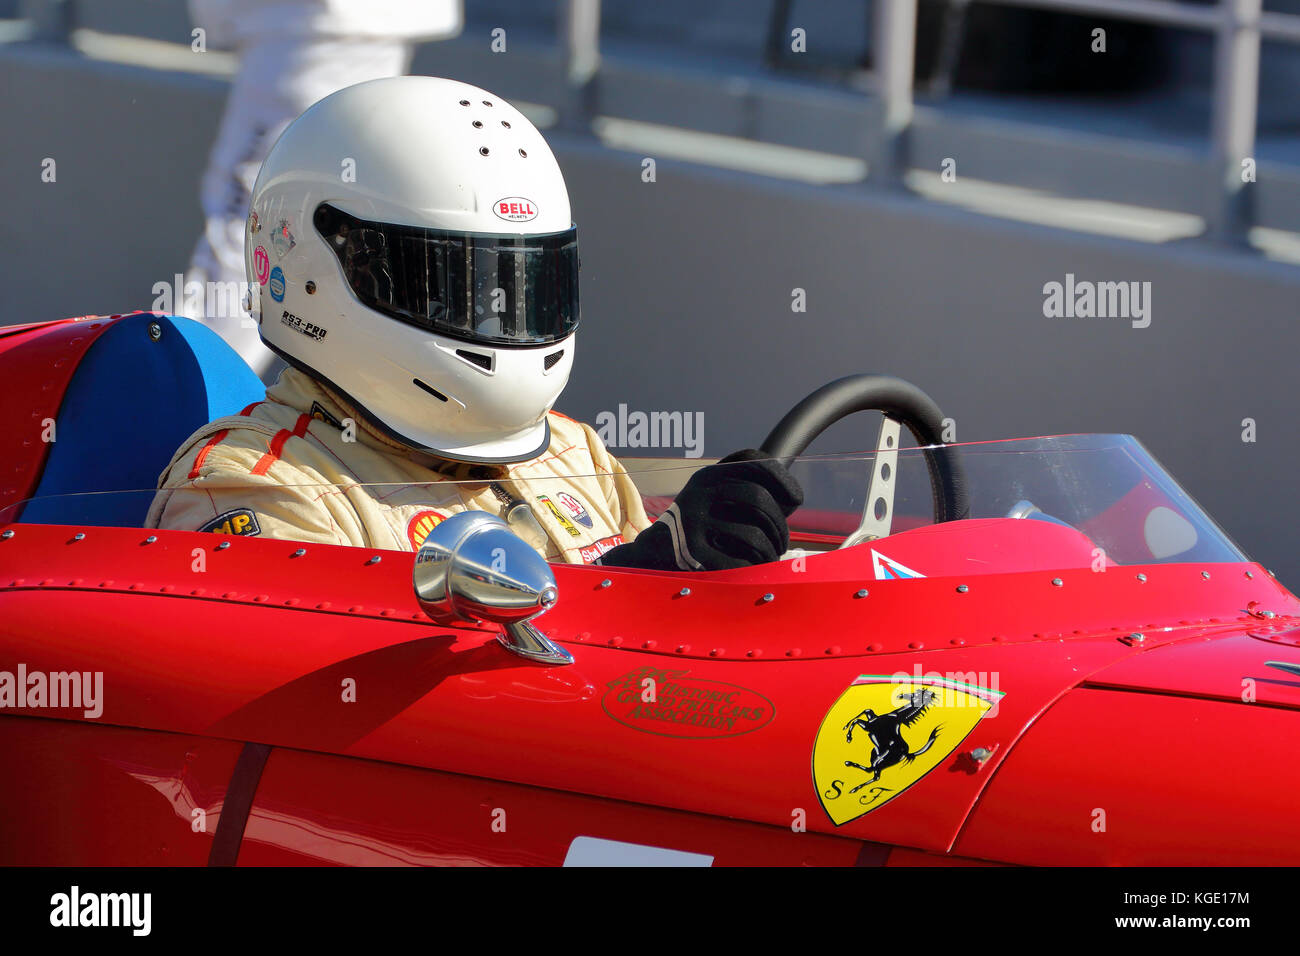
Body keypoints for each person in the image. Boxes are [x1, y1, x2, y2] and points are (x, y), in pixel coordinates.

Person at [146, 77, 802, 571]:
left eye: (516, 283)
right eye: (445, 284)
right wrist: (626, 585)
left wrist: (696, 585)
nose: (492, 314)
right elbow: (324, 708)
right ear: (313, 270)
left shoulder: (573, 452)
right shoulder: (253, 483)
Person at [181, 0, 463, 381]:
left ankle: (191, 397)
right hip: (339, 19)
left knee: (251, 214)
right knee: (310, 209)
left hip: (311, 19)